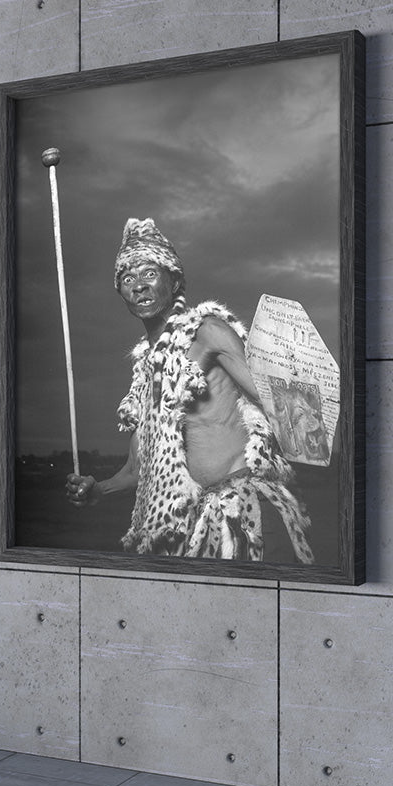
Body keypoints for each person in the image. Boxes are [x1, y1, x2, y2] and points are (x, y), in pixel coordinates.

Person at [66, 218, 314, 563]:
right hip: (196, 524)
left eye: (150, 274)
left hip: (245, 512)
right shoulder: (145, 376)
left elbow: (280, 404)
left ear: (174, 280)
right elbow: (139, 469)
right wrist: (99, 490)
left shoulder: (208, 332)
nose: (138, 286)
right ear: (121, 292)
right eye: (127, 279)